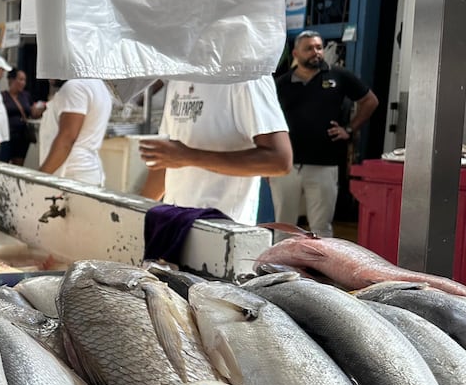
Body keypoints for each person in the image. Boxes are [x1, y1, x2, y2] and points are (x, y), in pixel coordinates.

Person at [269, 30, 378, 238]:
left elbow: (370, 101)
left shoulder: (339, 76)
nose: (316, 52)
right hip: (286, 167)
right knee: (283, 225)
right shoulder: (281, 84)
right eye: (309, 48)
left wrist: (349, 129)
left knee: (321, 227)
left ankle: (319, 270)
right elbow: (266, 118)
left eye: (318, 47)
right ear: (295, 53)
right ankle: (279, 268)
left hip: (324, 165)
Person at [139, 77, 292, 225]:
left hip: (224, 229)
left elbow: (279, 160)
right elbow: (166, 160)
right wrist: (139, 213)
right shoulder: (178, 79)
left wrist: (189, 157)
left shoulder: (247, 78)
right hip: (176, 223)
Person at [38, 78, 113, 185]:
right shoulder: (99, 86)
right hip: (86, 173)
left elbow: (67, 140)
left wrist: (39, 179)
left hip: (71, 176)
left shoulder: (75, 87)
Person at [2, 69, 46, 165]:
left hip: (22, 136)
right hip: (8, 135)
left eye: (24, 80)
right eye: (20, 79)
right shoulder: (3, 96)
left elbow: (32, 113)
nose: (23, 83)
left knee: (18, 165)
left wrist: (42, 107)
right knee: (4, 163)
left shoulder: (25, 96)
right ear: (11, 80)